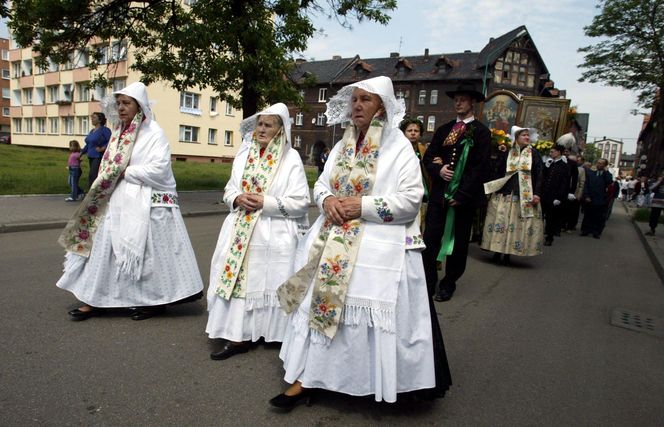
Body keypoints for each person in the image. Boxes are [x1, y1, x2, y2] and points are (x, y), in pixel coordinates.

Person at [272, 76, 450, 408]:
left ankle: (366, 381)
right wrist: (326, 201)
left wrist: (362, 206)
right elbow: (322, 183)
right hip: (333, 238)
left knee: (359, 310)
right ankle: (308, 376)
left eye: (365, 100)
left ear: (382, 106)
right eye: (354, 99)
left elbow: (412, 199)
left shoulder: (399, 147)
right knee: (320, 305)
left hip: (378, 244)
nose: (356, 105)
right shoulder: (342, 145)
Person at [57, 82, 204, 321]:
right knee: (104, 250)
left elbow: (160, 168)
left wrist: (125, 172)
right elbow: (109, 163)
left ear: (139, 106)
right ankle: (95, 299)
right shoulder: (118, 132)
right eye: (119, 103)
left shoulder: (153, 132)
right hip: (115, 199)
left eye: (127, 103)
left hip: (147, 203)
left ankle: (154, 301)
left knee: (147, 257)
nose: (122, 108)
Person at [206, 103, 310, 360]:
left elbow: (300, 201)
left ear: (280, 130)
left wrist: (267, 202)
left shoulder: (291, 158)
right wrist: (238, 198)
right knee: (240, 282)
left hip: (274, 231)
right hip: (240, 229)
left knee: (272, 279)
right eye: (259, 124)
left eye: (268, 125)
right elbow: (229, 189)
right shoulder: (243, 155)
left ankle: (274, 332)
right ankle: (236, 334)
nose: (261, 129)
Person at [422, 82, 491, 302]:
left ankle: (448, 283)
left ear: (472, 102)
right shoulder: (445, 129)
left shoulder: (481, 133)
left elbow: (480, 168)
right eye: (456, 99)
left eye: (462, 99)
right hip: (439, 197)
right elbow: (429, 156)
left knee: (458, 244)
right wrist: (438, 169)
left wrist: (461, 195)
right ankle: (428, 281)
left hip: (463, 200)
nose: (458, 102)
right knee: (430, 239)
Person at [482, 126, 544, 263]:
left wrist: (537, 193)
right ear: (516, 138)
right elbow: (497, 170)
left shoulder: (534, 154)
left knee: (515, 225)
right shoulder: (507, 152)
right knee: (501, 222)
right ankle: (497, 251)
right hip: (504, 193)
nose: (527, 138)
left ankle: (509, 253)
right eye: (524, 135)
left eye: (528, 135)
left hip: (523, 195)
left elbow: (539, 174)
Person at [400, 117, 431, 229]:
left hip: (422, 189)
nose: (413, 133)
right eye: (409, 131)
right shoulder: (399, 149)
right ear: (404, 133)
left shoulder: (424, 149)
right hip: (404, 187)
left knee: (421, 220)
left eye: (416, 131)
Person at [541, 144, 570, 246]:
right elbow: (543, 178)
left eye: (552, 151)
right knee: (540, 216)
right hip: (544, 194)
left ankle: (549, 237)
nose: (550, 153)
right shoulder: (549, 163)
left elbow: (564, 183)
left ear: (558, 152)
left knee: (550, 218)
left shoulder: (564, 166)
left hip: (554, 196)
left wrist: (559, 197)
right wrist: (546, 166)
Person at [580, 158, 613, 238]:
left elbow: (609, 181)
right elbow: (586, 185)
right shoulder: (590, 173)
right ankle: (585, 230)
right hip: (590, 198)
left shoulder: (606, 175)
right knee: (588, 215)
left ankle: (596, 231)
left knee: (598, 216)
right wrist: (587, 196)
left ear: (605, 165)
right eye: (598, 163)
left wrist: (606, 171)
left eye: (602, 163)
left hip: (600, 199)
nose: (599, 165)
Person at [80, 112, 112, 188]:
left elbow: (111, 141)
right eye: (92, 117)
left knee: (93, 174)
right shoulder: (92, 131)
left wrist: (102, 148)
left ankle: (92, 193)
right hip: (91, 156)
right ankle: (94, 192)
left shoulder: (104, 130)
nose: (92, 119)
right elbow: (88, 144)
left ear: (100, 120)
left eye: (94, 117)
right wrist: (81, 153)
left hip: (98, 156)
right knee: (93, 174)